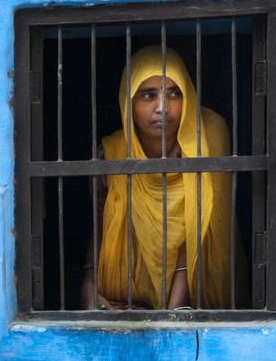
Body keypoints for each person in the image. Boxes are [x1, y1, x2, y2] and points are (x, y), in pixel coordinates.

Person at [80, 45, 247, 310]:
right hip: (126, 292)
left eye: (174, 94)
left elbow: (198, 229)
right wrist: (89, 291)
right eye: (148, 95)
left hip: (194, 292)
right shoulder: (111, 155)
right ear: (129, 103)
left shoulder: (205, 141)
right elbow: (101, 228)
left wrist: (173, 312)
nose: (163, 107)